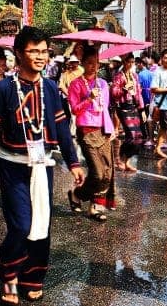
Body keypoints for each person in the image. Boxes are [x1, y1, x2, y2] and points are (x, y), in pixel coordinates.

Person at [0, 26, 85, 305]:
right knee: (21, 224)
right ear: (18, 53)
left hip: (43, 166)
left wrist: (73, 162)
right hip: (12, 166)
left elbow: (62, 129)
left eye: (43, 51)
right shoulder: (2, 89)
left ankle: (33, 278)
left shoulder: (50, 88)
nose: (40, 56)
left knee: (42, 225)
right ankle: (10, 273)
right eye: (33, 51)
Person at [68, 46, 116, 220]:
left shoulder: (103, 84)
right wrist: (88, 98)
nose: (93, 67)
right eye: (89, 63)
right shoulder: (76, 84)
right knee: (97, 172)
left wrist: (111, 129)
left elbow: (105, 110)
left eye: (96, 63)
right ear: (82, 63)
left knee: (107, 172)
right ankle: (78, 194)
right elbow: (74, 110)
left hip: (102, 131)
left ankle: (96, 206)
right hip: (86, 131)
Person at [111, 53, 145, 172]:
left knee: (138, 137)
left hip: (133, 107)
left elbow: (139, 93)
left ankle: (127, 161)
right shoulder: (118, 76)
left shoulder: (135, 76)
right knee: (130, 135)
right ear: (123, 62)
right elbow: (114, 92)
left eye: (132, 62)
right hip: (123, 107)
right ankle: (120, 158)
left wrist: (142, 109)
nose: (130, 64)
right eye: (128, 62)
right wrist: (124, 89)